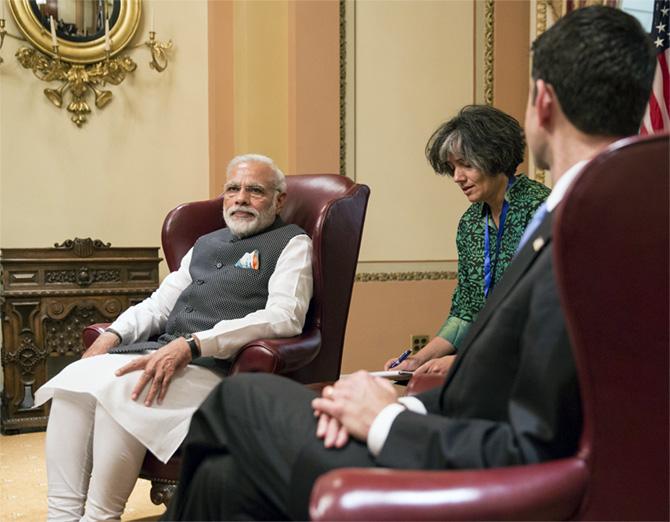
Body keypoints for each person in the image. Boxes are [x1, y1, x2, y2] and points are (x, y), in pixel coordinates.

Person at [163, 6, 656, 521]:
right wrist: (401, 399)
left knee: (238, 399)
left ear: (543, 102)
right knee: (227, 483)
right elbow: (486, 334)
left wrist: (385, 423)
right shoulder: (613, 221)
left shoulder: (582, 238)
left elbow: (537, 446)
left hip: (453, 470)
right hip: (443, 424)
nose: (459, 176)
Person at [35, 154, 314, 521]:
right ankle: (63, 516)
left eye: (255, 191)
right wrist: (112, 335)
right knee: (73, 382)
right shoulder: (205, 243)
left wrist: (195, 343)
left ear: (278, 200)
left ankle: (100, 517)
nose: (241, 198)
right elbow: (158, 305)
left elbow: (284, 317)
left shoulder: (291, 243)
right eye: (233, 189)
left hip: (216, 368)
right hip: (159, 353)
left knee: (125, 388)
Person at [384, 105, 550, 375]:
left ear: (496, 157)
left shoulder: (542, 212)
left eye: (466, 165)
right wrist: (417, 361)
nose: (457, 178)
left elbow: (541, 315)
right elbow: (464, 314)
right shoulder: (471, 223)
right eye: (452, 167)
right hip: (487, 362)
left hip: (532, 361)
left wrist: (463, 361)